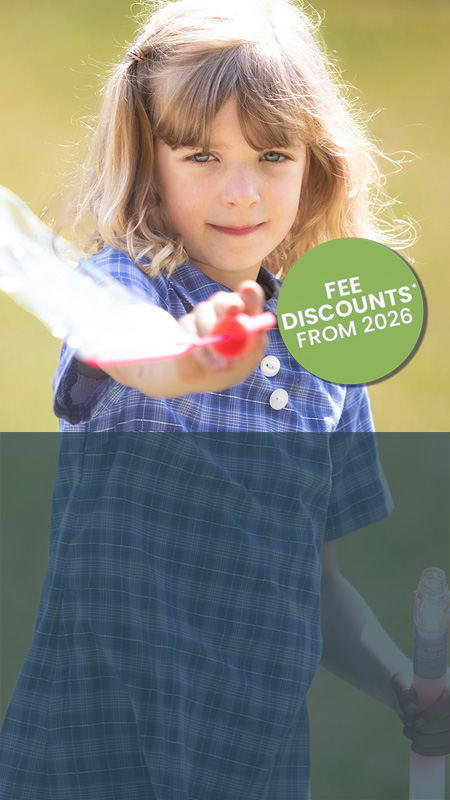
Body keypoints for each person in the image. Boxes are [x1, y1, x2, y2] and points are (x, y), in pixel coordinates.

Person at [1, 1, 448, 798]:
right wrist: (191, 355)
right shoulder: (130, 287)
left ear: (316, 163)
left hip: (253, 764)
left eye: (272, 154)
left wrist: (395, 681)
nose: (240, 193)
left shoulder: (328, 355)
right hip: (94, 754)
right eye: (202, 156)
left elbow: (316, 585)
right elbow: (127, 345)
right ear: (149, 160)